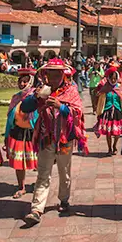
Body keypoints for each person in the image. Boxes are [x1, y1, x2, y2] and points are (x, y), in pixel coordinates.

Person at [22, 58, 87, 226]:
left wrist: (61, 107)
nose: (54, 78)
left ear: (63, 75)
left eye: (57, 74)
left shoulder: (71, 91)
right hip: (46, 138)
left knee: (64, 173)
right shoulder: (41, 90)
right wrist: (36, 97)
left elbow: (78, 113)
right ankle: (36, 209)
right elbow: (25, 107)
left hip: (64, 140)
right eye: (50, 74)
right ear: (45, 75)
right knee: (43, 174)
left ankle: (64, 199)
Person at [5, 68, 39, 199]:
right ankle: (21, 187)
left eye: (26, 82)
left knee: (39, 160)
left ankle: (40, 184)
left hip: (33, 133)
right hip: (17, 132)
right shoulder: (16, 98)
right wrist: (7, 135)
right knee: (18, 161)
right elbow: (10, 118)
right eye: (21, 82)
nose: (23, 84)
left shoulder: (36, 97)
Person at [95, 66, 122, 155]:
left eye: (114, 79)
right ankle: (109, 148)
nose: (113, 80)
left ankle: (114, 145)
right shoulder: (105, 88)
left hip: (118, 111)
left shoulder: (119, 87)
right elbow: (99, 95)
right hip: (107, 111)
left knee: (117, 133)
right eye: (111, 79)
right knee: (109, 132)